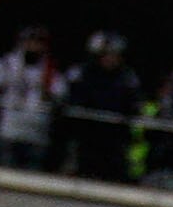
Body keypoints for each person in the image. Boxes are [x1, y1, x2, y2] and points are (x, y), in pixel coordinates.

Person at [0, 26, 61, 169]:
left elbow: (60, 95)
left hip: (36, 134)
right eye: (30, 41)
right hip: (10, 131)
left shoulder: (49, 70)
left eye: (39, 42)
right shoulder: (8, 63)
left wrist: (48, 94)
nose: (34, 46)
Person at [58, 32, 137, 177]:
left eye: (115, 55)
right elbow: (70, 104)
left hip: (111, 141)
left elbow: (131, 106)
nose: (111, 59)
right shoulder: (79, 74)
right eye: (107, 55)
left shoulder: (127, 79)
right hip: (83, 138)